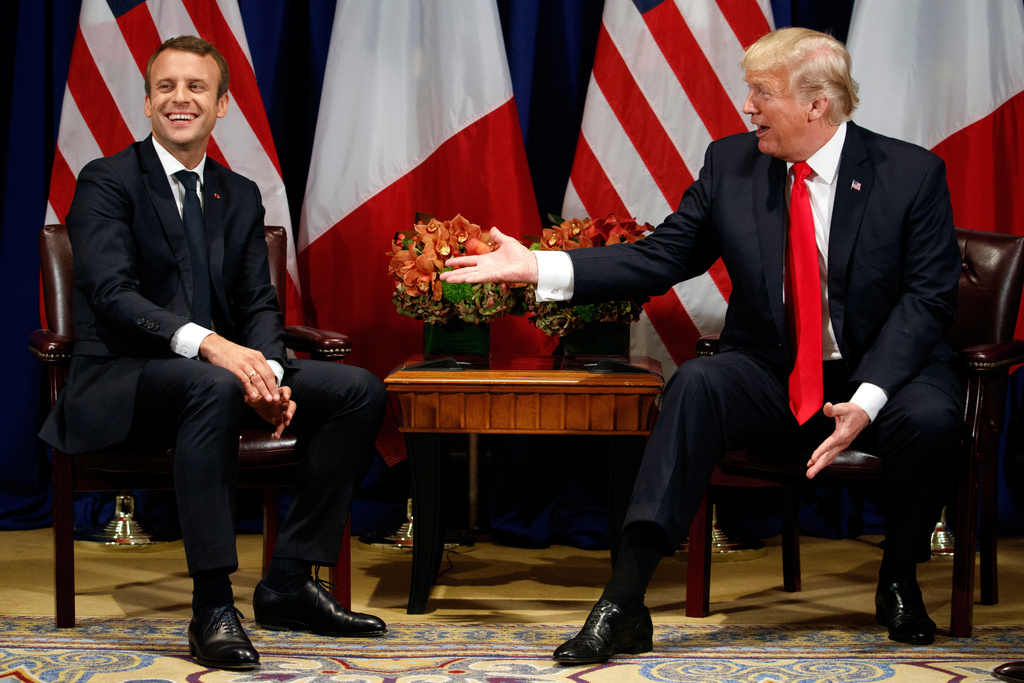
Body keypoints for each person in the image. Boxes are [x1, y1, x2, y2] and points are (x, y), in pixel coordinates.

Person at [442, 27, 962, 663]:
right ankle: (623, 603)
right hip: (774, 372)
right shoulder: (731, 164)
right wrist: (538, 266)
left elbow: (927, 301)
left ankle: (900, 576)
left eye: (762, 93)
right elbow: (662, 257)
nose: (748, 108)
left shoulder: (909, 174)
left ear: (816, 103)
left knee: (932, 418)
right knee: (694, 385)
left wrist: (868, 397)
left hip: (885, 373)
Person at [39, 36, 388, 671]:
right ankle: (212, 606)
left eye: (196, 87)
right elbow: (112, 294)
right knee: (215, 383)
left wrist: (270, 374)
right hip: (123, 378)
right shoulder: (107, 180)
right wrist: (212, 347)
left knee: (357, 390)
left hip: (220, 377)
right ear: (147, 103)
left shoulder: (239, 192)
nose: (181, 99)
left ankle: (288, 581)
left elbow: (258, 303)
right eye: (166, 87)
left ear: (221, 104)